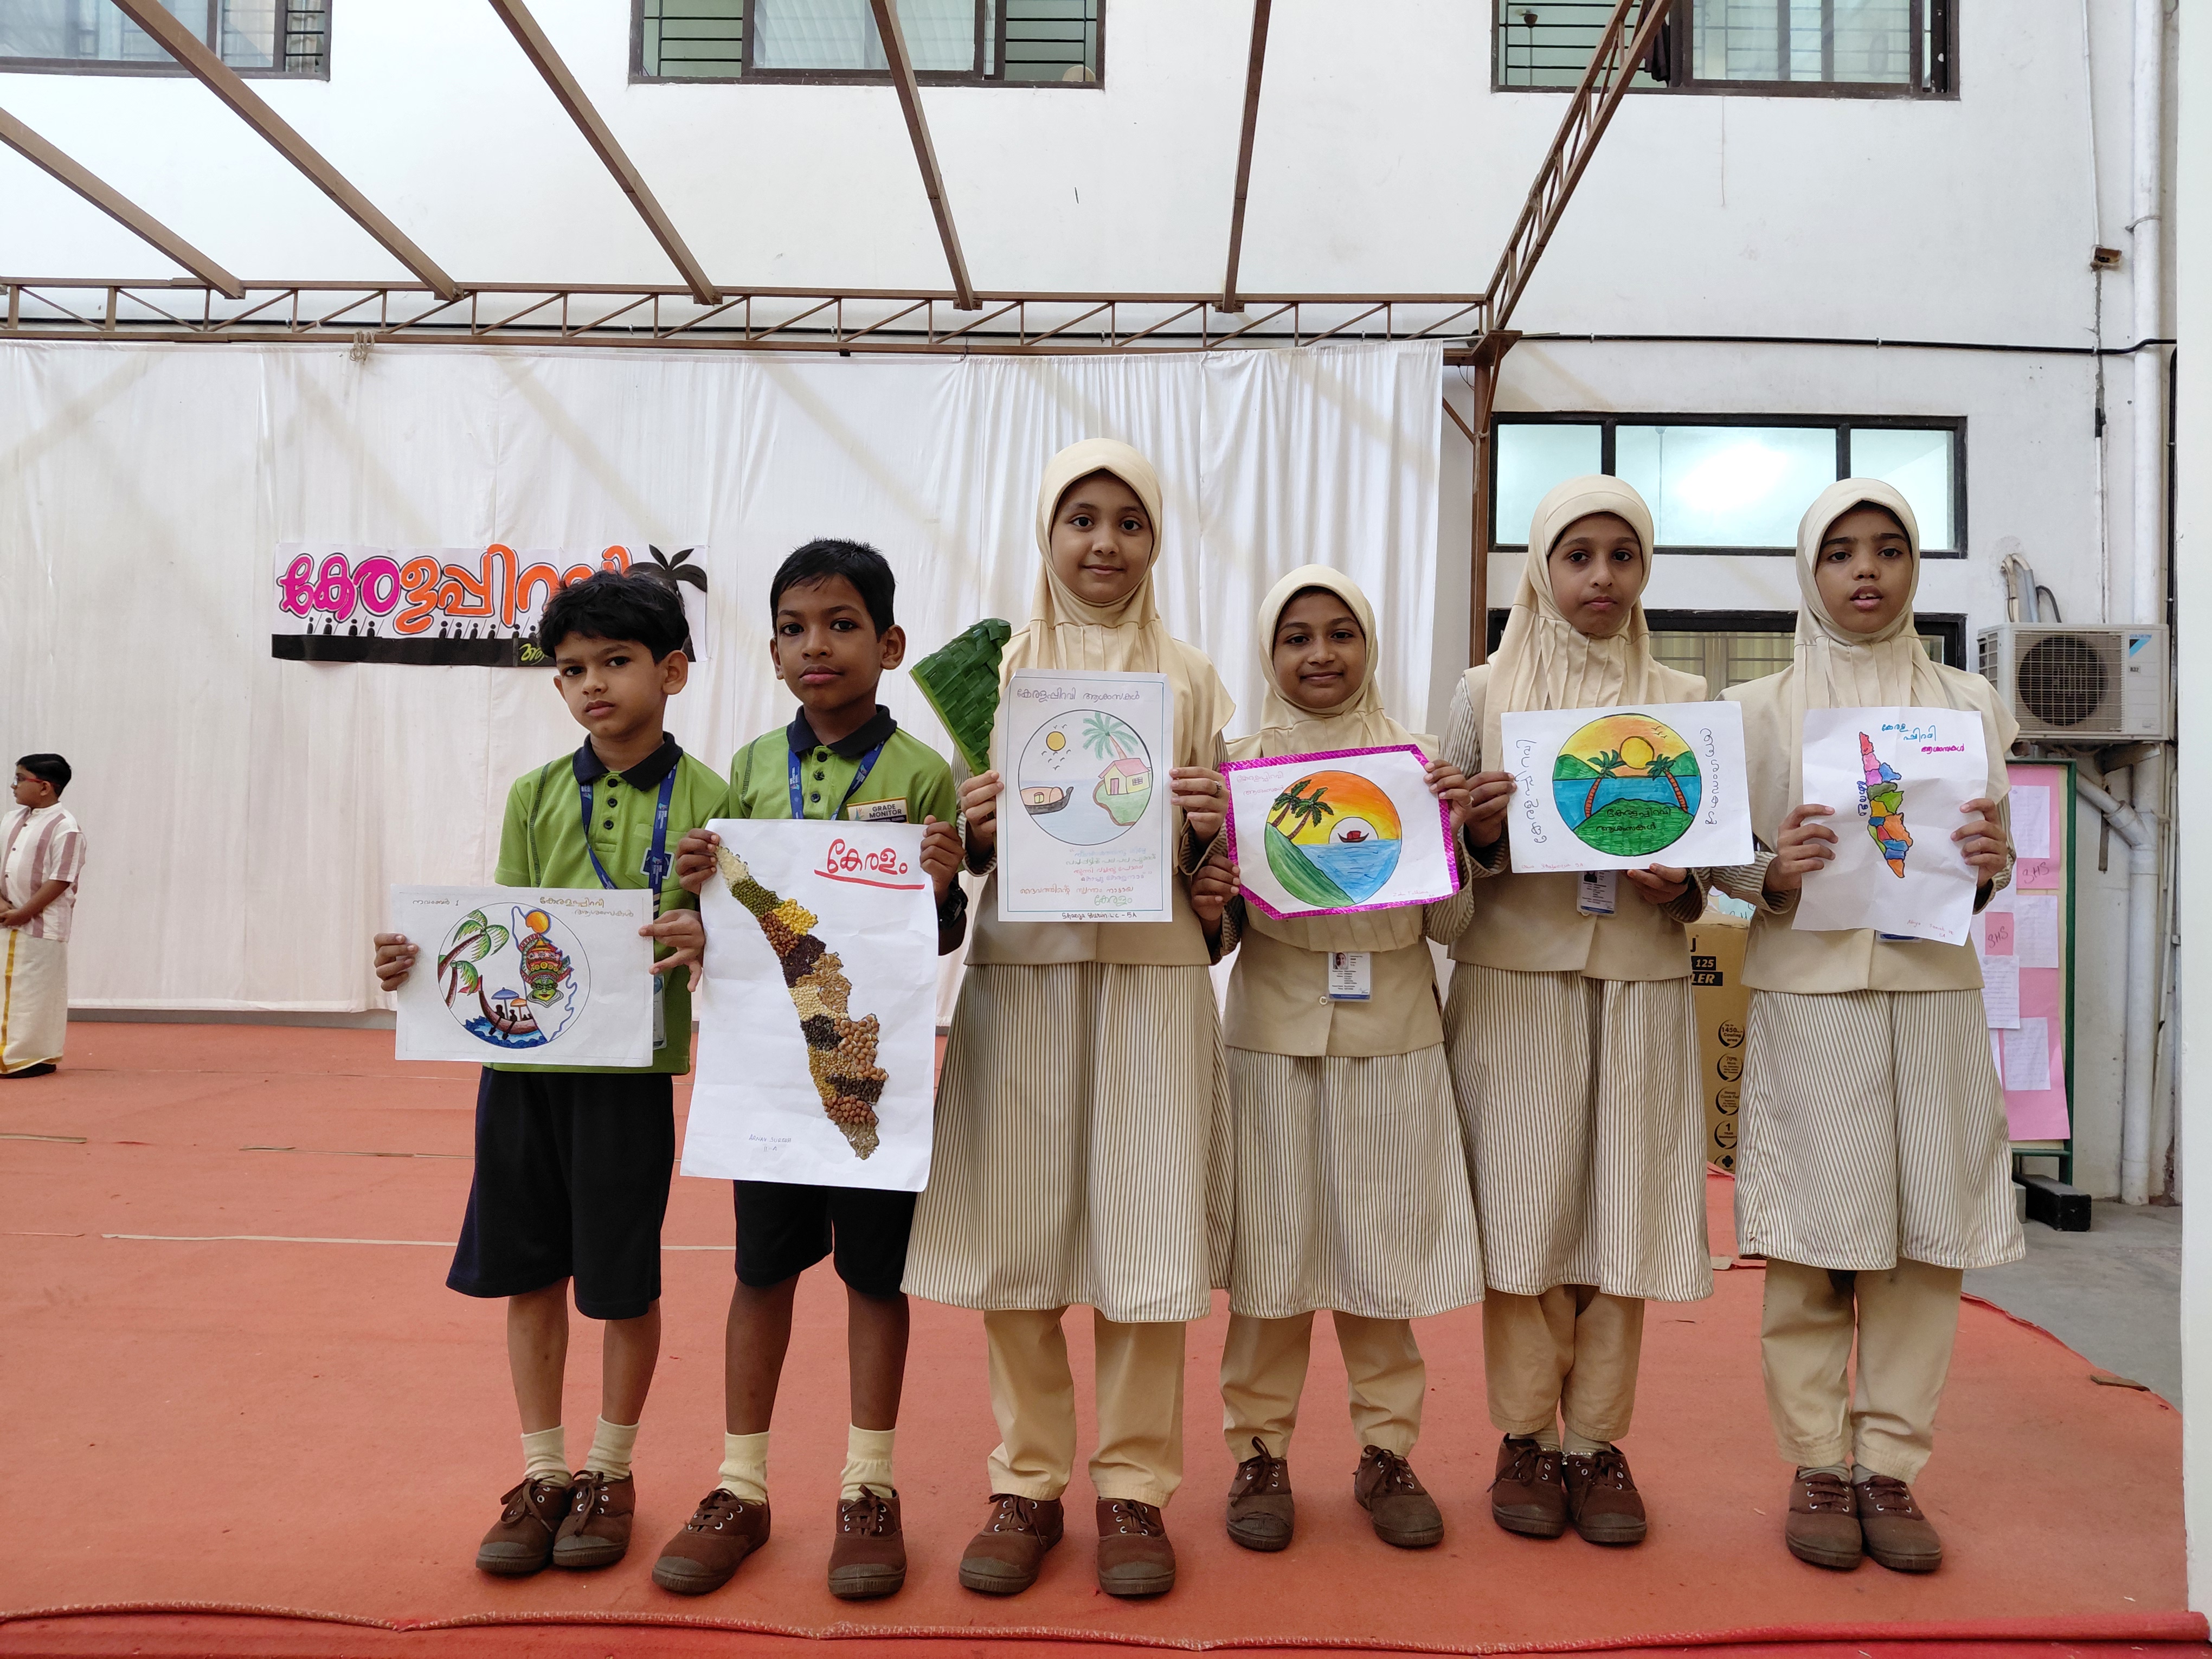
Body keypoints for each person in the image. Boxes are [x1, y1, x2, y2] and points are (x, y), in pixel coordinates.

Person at [902, 438, 1236, 1600]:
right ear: (1046, 534)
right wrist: (977, 832)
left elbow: (1216, 873)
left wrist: (1208, 827)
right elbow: (961, 858)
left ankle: (1136, 1488)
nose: (1104, 544)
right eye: (1081, 520)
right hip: (1025, 978)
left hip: (1153, 981)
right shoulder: (991, 673)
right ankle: (1027, 1483)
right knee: (1019, 1228)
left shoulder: (1193, 677)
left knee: (1150, 1225)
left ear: (1156, 541)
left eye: (1129, 523)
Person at [371, 571, 719, 1579]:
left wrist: (706, 933)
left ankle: (611, 1470)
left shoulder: (716, 800)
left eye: (616, 662)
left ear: (673, 671)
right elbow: (500, 932)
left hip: (630, 1073)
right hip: (523, 1070)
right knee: (530, 1273)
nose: (592, 685)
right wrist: (416, 966)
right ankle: (543, 1473)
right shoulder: (534, 794)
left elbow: (737, 937)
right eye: (571, 671)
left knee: (621, 1281)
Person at [1713, 479, 2020, 1576]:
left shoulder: (1972, 707)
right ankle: (1814, 1464)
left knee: (1925, 1245)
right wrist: (1772, 872)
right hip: (1812, 999)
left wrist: (1992, 866)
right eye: (1840, 552)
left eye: (1888, 549)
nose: (1866, 572)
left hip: (1934, 999)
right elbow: (1724, 863)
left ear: (1913, 567)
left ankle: (1888, 1467)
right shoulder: (1758, 711)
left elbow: (1988, 863)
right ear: (1810, 571)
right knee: (1810, 1241)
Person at [654, 539, 967, 1601]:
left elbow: (934, 939)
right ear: (774, 648)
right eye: (793, 628)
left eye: (840, 625)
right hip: (767, 1076)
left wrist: (944, 887)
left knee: (875, 1280)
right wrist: (696, 886)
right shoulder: (746, 769)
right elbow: (722, 922)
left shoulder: (922, 772)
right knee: (761, 1272)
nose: (814, 646)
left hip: (871, 1074)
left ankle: (868, 1488)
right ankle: (740, 1486)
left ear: (890, 644)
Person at [1438, 475, 1714, 1548]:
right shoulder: (1484, 693)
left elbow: (1711, 865)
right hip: (1515, 987)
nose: (1601, 577)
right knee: (1524, 1216)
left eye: (1622, 556)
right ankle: (1524, 1436)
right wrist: (1482, 835)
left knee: (1622, 1213)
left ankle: (1596, 1441)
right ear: (1541, 570)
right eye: (1578, 555)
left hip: (1640, 984)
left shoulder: (1685, 697)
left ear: (1644, 569)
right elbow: (1438, 873)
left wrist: (1682, 885)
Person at [1188, 568, 1484, 1555]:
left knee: (1382, 1256)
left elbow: (1454, 926)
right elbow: (1218, 938)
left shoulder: (1421, 763)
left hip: (1394, 1037)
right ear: (1268, 654)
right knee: (1269, 1261)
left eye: (1341, 634)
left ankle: (1387, 1452)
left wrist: (1455, 834)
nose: (1320, 655)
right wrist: (1211, 884)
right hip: (1270, 1038)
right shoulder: (1237, 768)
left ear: (1369, 645)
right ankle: (1258, 1453)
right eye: (1297, 637)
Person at [1, 754, 87, 1079]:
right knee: (8, 991)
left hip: (41, 925)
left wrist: (25, 912)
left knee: (34, 994)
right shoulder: (10, 819)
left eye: (21, 779)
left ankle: (25, 1058)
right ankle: (20, 1054)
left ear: (45, 787)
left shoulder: (65, 827)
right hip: (7, 920)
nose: (14, 785)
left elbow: (61, 879)